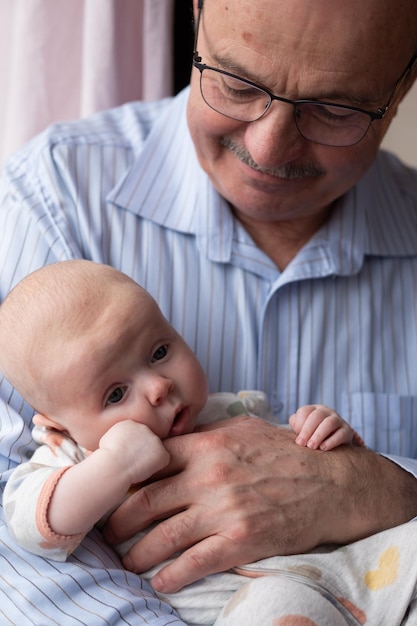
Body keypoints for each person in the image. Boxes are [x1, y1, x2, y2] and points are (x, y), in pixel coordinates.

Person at [0, 0, 417, 623]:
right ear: (196, 16)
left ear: (404, 82)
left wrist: (378, 484)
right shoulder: (53, 199)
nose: (268, 147)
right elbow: (13, 537)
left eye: (335, 108)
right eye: (235, 83)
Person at [1, 259, 377, 626]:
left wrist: (324, 431)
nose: (158, 386)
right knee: (272, 605)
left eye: (159, 353)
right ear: (59, 426)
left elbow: (322, 474)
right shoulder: (72, 459)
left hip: (358, 577)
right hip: (252, 605)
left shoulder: (231, 412)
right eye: (115, 394)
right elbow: (32, 528)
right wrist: (113, 465)